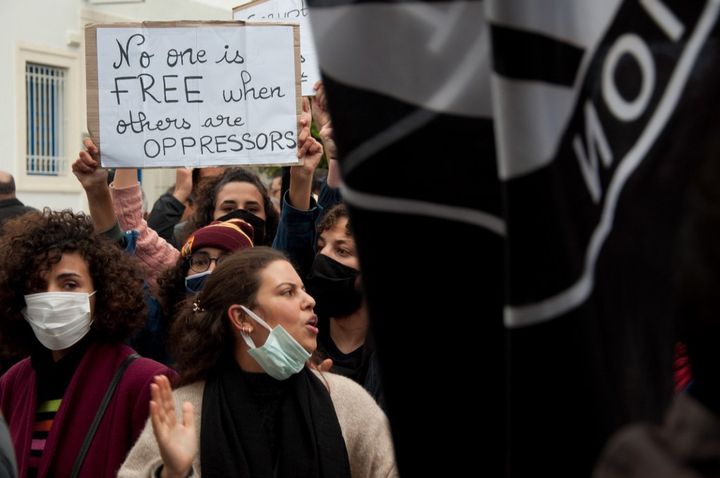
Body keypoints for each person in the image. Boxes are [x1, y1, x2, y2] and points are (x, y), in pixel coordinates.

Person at [118, 247, 397, 478]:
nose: (310, 300)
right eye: (288, 292)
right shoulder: (186, 409)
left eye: (304, 290)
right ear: (242, 318)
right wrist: (173, 473)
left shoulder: (344, 400)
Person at [0, 210, 176, 477]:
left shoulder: (146, 384)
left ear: (102, 293)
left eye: (69, 284)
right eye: (37, 285)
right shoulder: (12, 384)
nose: (52, 297)